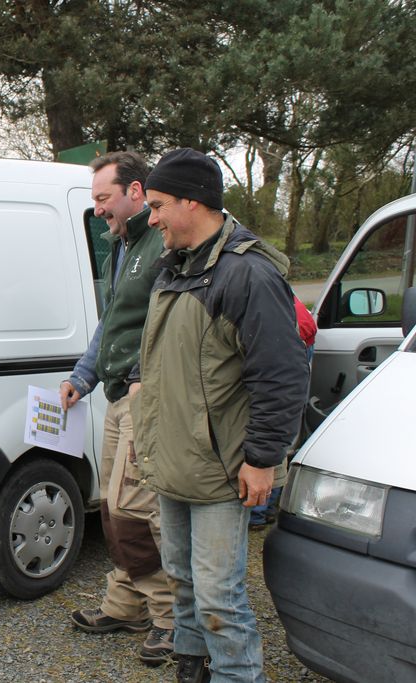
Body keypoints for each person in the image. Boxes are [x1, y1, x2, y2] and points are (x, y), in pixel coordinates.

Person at [133, 148, 309, 683]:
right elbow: (166, 359)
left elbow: (281, 375)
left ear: (193, 201)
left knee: (218, 595)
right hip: (175, 459)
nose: (152, 218)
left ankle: (237, 674)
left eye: (158, 205)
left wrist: (262, 458)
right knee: (181, 578)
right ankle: (193, 666)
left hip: (221, 470)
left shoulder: (247, 275)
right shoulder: (175, 268)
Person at [61, 151, 174, 665]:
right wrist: (82, 377)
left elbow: (169, 323)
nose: (98, 209)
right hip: (116, 398)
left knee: (136, 511)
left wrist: (141, 379)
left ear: (135, 191)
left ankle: (170, 618)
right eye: (95, 199)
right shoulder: (121, 245)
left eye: (104, 198)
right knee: (112, 507)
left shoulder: (162, 243)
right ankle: (126, 605)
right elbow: (112, 323)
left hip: (144, 398)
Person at [249, 295, 316, 528]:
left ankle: (257, 512)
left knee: (269, 427)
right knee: (282, 431)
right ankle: (266, 509)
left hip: (289, 341)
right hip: (300, 335)